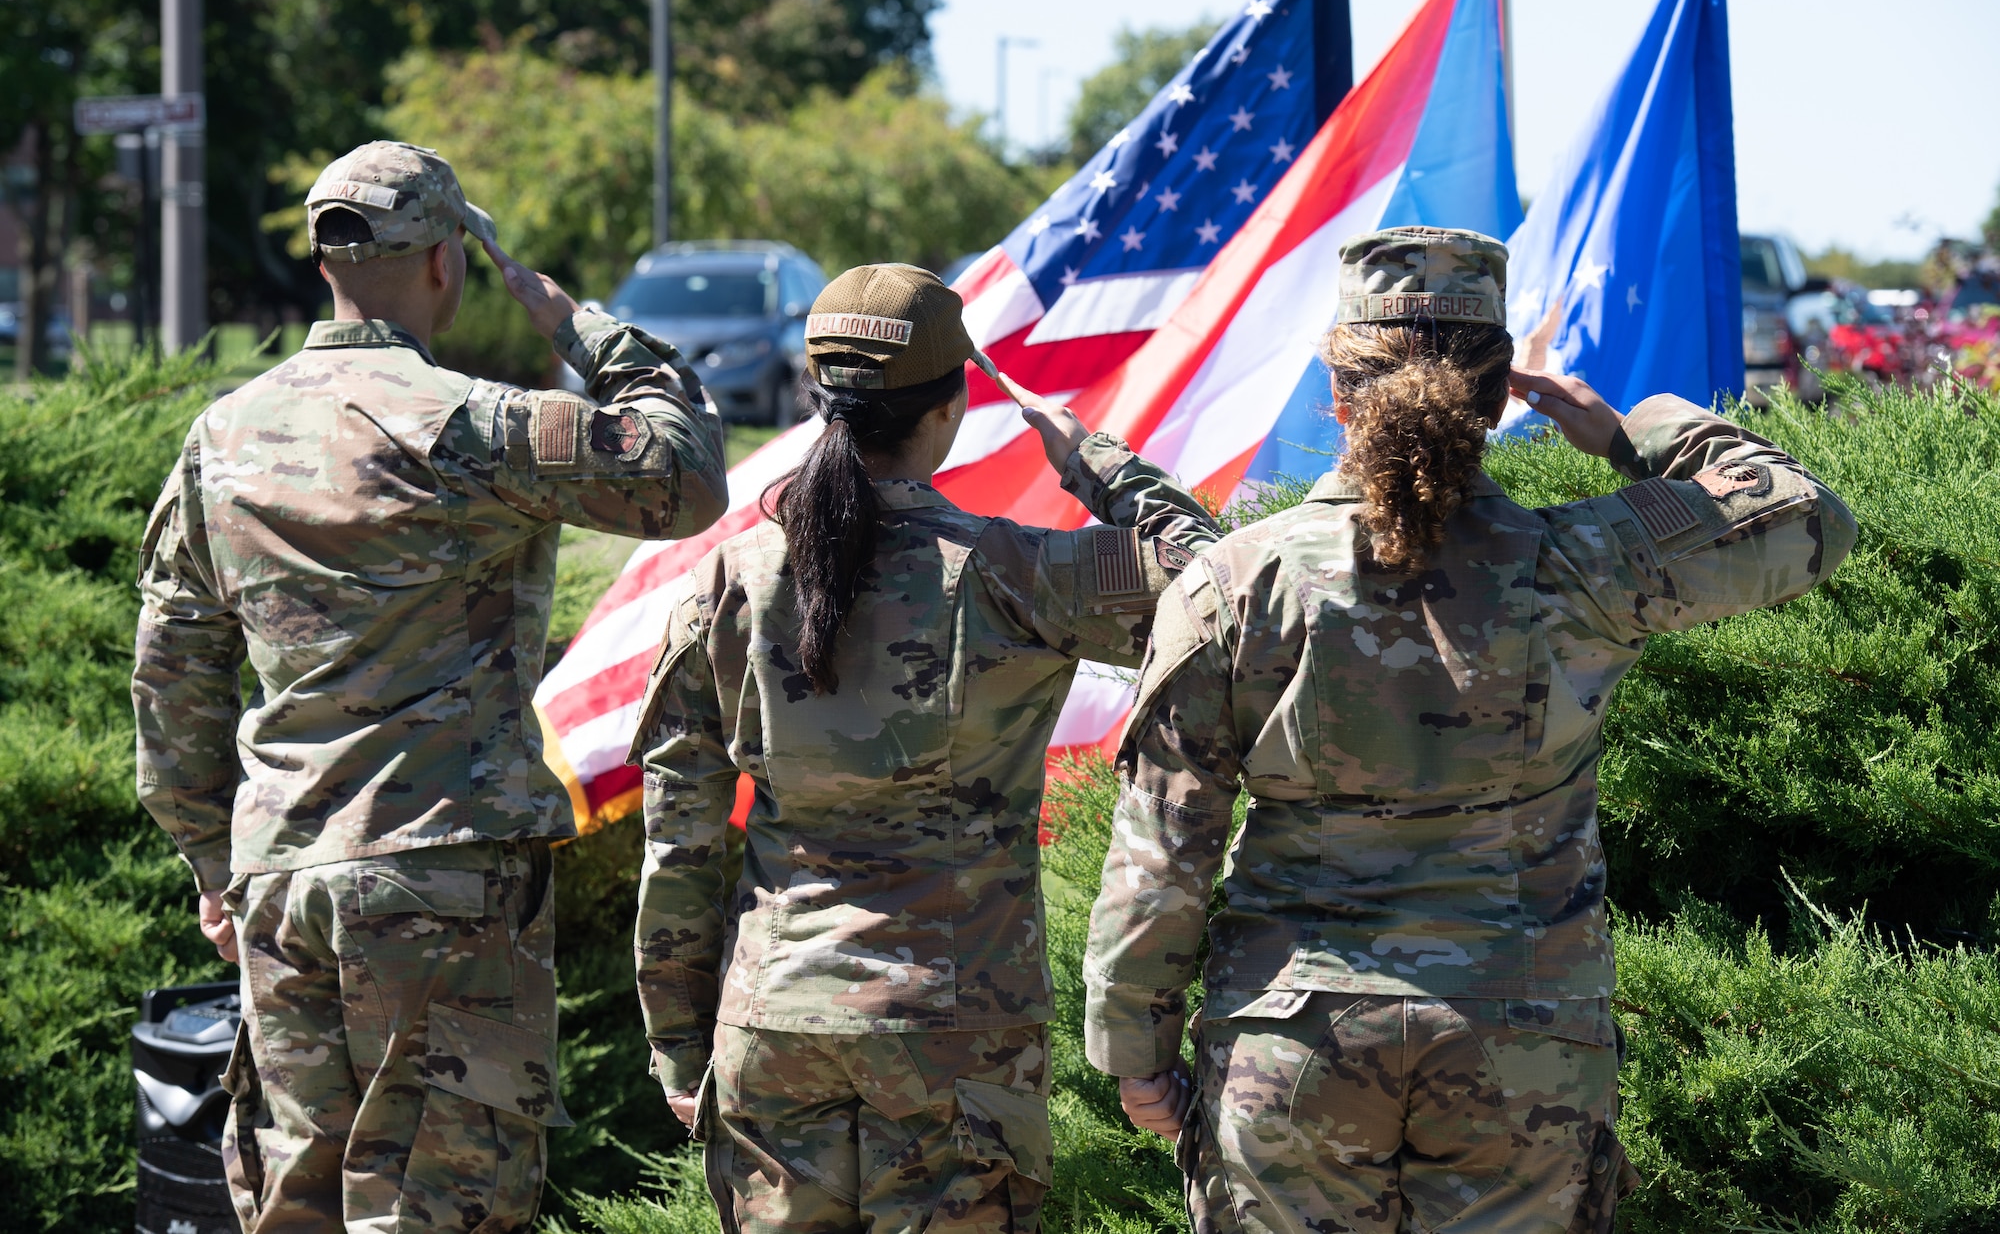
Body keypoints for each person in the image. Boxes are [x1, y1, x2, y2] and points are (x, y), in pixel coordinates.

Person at [1082, 226, 1857, 1234]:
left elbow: (1161, 847)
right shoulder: (1582, 562)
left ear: (1334, 391)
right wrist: (1630, 429)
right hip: (1520, 1040)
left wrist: (1131, 1049)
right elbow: (1803, 514)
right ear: (1497, 400)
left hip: (1291, 1040)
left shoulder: (1236, 582)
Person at [131, 139, 730, 1232]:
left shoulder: (219, 440)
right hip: (444, 883)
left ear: (325, 263)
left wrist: (215, 865)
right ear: (448, 262)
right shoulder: (473, 424)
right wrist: (581, 327)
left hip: (282, 882)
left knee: (294, 1208)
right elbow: (684, 472)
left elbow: (171, 687)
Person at [629, 263, 1220, 1233]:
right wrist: (1093, 461)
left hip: (775, 1024)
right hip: (957, 1038)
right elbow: (1214, 580)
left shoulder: (726, 583)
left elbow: (678, 842)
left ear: (823, 406)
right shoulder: (1019, 574)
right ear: (949, 410)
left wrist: (679, 1043)